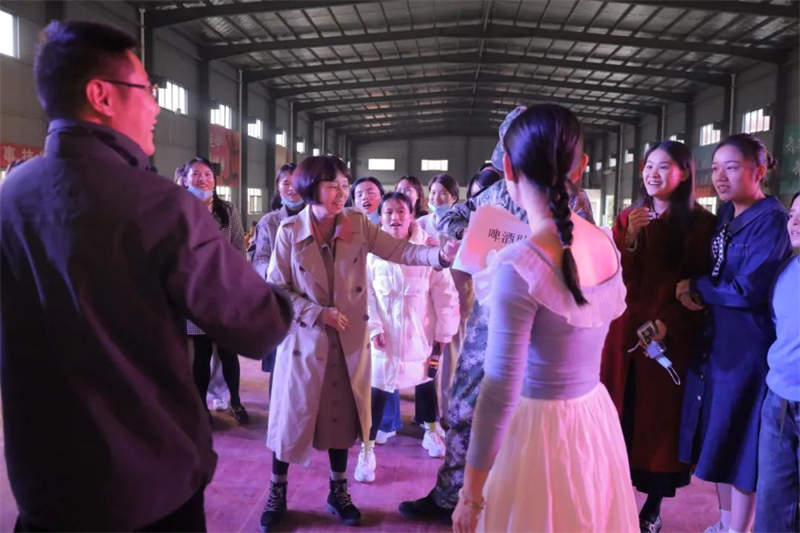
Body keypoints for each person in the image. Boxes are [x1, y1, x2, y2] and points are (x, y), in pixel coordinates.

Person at [0, 20, 291, 532]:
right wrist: (289, 291)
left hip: (43, 487)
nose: (156, 108)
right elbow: (258, 325)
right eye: (146, 90)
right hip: (145, 488)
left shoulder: (11, 196)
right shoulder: (161, 206)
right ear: (101, 96)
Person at [399, 105, 595, 524]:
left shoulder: (574, 203)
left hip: (544, 331)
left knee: (526, 420)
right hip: (489, 321)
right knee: (464, 408)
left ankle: (499, 502)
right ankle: (450, 495)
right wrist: (465, 237)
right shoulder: (495, 194)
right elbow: (450, 217)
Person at [451, 103, 638, 533]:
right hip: (593, 419)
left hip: (536, 433)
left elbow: (499, 390)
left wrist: (471, 494)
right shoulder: (605, 245)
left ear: (508, 168)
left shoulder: (520, 264)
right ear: (582, 166)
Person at [260, 155, 458, 531]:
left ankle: (338, 492)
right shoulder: (289, 231)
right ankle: (277, 492)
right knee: (290, 420)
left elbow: (400, 250)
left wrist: (438, 255)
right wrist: (317, 313)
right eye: (332, 186)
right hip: (305, 340)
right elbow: (276, 287)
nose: (341, 193)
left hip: (347, 339)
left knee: (341, 417)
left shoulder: (358, 224)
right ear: (310, 188)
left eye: (343, 186)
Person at [676, 134, 792, 533]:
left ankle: (739, 527)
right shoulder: (727, 214)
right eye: (715, 168)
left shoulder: (771, 221)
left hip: (747, 346)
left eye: (731, 167)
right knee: (720, 435)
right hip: (719, 343)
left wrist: (698, 288)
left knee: (742, 442)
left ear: (758, 172)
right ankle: (725, 522)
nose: (720, 177)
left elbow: (748, 290)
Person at [600, 141, 717, 533]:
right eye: (649, 165)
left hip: (668, 336)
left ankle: (652, 507)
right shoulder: (628, 218)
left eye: (664, 167)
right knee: (620, 412)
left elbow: (696, 283)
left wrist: (668, 322)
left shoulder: (700, 225)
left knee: (658, 424)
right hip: (624, 333)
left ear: (684, 174)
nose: (653, 173)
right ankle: (612, 499)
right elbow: (614, 274)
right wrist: (629, 240)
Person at [355, 192, 460, 483]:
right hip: (385, 336)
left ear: (412, 215)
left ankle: (431, 430)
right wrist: (374, 327)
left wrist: (443, 334)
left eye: (401, 211)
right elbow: (365, 293)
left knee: (426, 382)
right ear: (380, 217)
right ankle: (367, 449)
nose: (395, 217)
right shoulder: (371, 251)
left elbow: (445, 294)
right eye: (388, 212)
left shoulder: (428, 249)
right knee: (378, 389)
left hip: (419, 332)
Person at [183, 157, 250, 425]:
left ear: (214, 180)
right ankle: (201, 407)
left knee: (228, 351)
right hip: (194, 294)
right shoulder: (178, 208)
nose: (202, 179)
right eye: (196, 174)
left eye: (207, 174)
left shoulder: (227, 210)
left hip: (224, 292)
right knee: (200, 356)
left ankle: (235, 401)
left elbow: (238, 248)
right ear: (186, 179)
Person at [755, 191, 800, 532]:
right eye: (793, 214)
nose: (794, 223)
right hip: (778, 405)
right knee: (771, 510)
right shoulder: (785, 269)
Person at [250, 162, 301, 278]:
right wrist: (275, 276)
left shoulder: (315, 219)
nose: (292, 188)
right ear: (278, 187)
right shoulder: (268, 223)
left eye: (297, 183)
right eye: (286, 183)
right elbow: (260, 260)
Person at [417, 173, 459, 240]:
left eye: (443, 193)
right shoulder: (420, 223)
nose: (436, 199)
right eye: (433, 193)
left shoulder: (461, 225)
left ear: (454, 198)